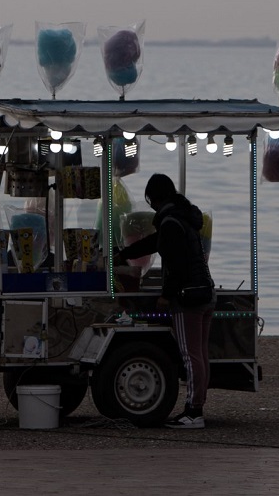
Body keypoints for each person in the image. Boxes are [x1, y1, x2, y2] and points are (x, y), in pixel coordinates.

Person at [114, 173, 216, 429]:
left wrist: (165, 296)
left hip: (187, 297)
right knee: (200, 355)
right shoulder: (183, 218)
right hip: (204, 291)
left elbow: (176, 264)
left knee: (190, 355)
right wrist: (125, 253)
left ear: (154, 198)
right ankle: (197, 407)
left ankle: (194, 412)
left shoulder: (170, 223)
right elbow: (155, 243)